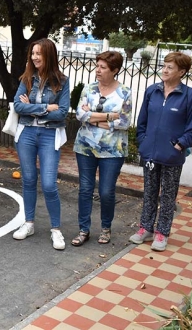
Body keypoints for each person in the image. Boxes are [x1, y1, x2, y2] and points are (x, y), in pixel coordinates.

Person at [130, 52, 192, 252]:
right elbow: (142, 121)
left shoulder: (190, 95)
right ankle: (145, 229)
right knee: (149, 193)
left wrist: (179, 145)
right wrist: (143, 142)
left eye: (170, 67)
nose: (165, 70)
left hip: (172, 156)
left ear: (182, 72)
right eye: (164, 65)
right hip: (150, 154)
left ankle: (162, 233)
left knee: (168, 196)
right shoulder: (152, 91)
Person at [11, 38, 70, 250]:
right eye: (33, 53)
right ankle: (29, 223)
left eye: (39, 53)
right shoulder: (27, 79)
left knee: (48, 184)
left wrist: (33, 106)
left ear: (49, 55)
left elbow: (63, 111)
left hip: (49, 135)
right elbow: (18, 105)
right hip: (26, 133)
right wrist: (47, 108)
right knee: (28, 179)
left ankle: (56, 229)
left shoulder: (62, 81)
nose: (35, 57)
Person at [71, 51, 132, 247]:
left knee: (106, 191)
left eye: (103, 67)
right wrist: (109, 116)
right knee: (85, 189)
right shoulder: (88, 89)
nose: (98, 70)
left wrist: (94, 117)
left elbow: (124, 122)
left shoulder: (125, 92)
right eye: (97, 65)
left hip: (113, 151)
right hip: (85, 147)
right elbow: (80, 115)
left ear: (114, 70)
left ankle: (106, 228)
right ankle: (83, 230)